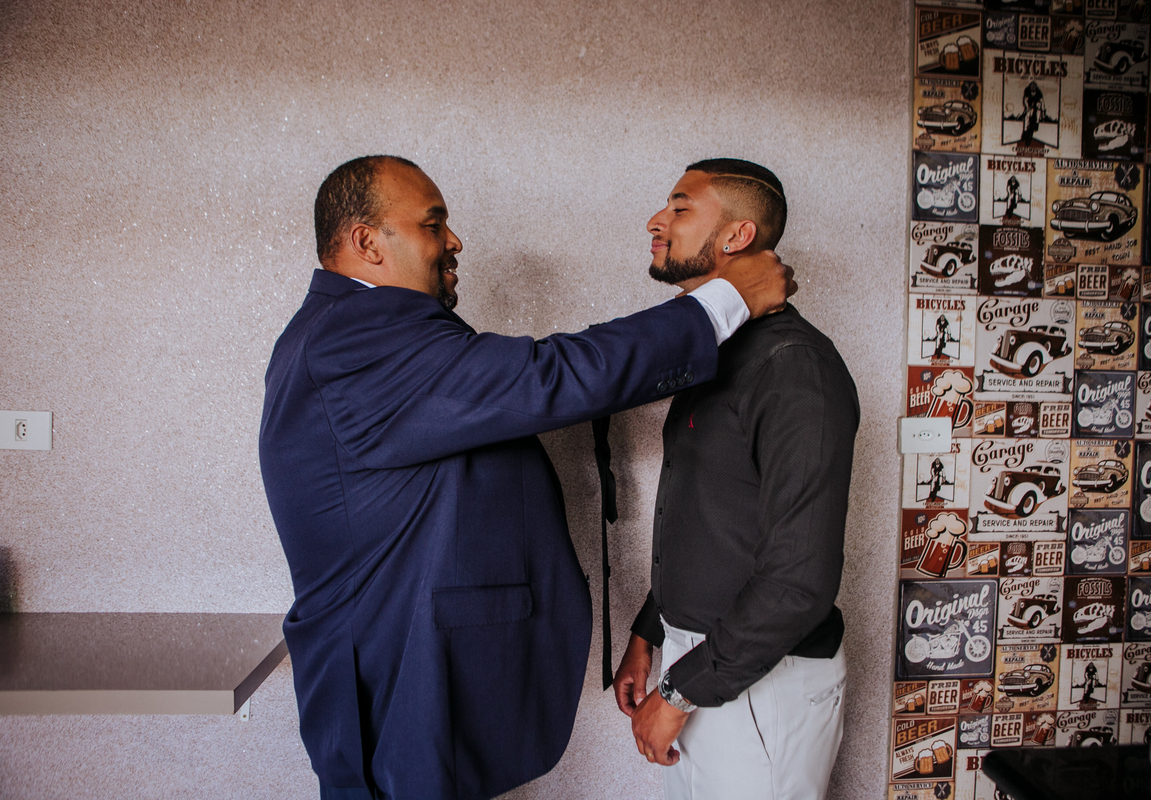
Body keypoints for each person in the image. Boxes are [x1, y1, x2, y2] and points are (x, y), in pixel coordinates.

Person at [258, 155, 794, 800]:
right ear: (367, 242)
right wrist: (726, 301)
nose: (455, 241)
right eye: (433, 225)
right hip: (392, 681)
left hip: (409, 670)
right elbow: (547, 379)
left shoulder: (356, 331)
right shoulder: (354, 338)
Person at [612, 159, 859, 800]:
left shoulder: (794, 367)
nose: (656, 221)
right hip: (701, 665)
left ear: (738, 236)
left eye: (680, 207)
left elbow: (799, 582)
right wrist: (651, 633)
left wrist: (679, 691)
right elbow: (710, 520)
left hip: (761, 685)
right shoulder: (714, 353)